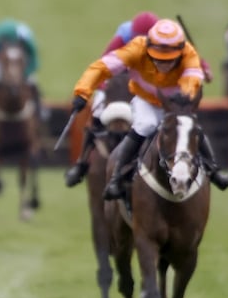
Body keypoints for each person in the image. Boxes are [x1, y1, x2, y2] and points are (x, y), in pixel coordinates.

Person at [70, 19, 228, 200]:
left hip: (175, 102)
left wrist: (183, 100)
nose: (163, 64)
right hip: (146, 100)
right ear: (148, 47)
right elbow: (101, 67)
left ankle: (214, 171)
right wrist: (82, 93)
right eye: (158, 58)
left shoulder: (189, 54)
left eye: (169, 60)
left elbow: (192, 78)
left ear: (180, 51)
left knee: (188, 125)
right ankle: (116, 178)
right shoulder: (136, 49)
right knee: (146, 125)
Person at [63, 11, 158, 187]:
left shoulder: (165, 39)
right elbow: (104, 63)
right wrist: (102, 87)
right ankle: (81, 163)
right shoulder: (123, 36)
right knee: (98, 107)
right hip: (119, 78)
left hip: (145, 82)